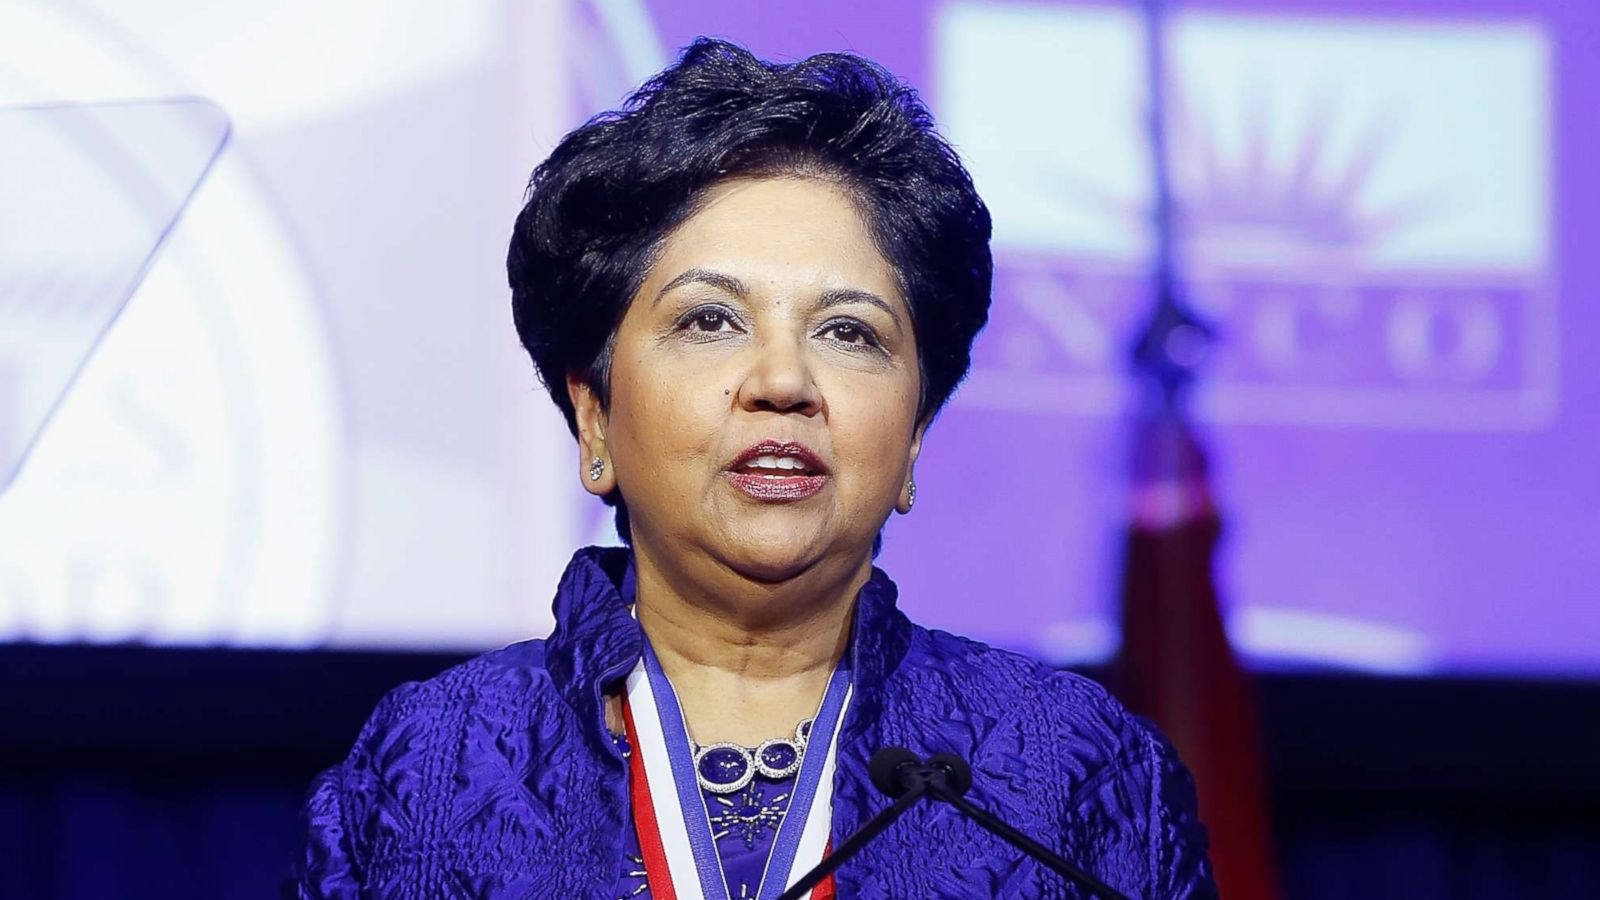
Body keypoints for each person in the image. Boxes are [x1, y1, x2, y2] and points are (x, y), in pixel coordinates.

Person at [294, 37, 1216, 899]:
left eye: (849, 332)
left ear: (915, 436)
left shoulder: (1074, 770)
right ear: (594, 415)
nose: (783, 381)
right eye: (710, 321)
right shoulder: (429, 768)